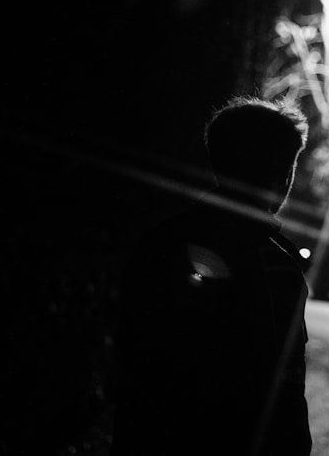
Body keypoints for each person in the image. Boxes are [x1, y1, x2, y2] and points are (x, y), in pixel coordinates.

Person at [112, 96, 312, 455]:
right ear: (284, 174)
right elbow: (283, 391)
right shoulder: (276, 265)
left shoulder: (160, 242)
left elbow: (136, 364)